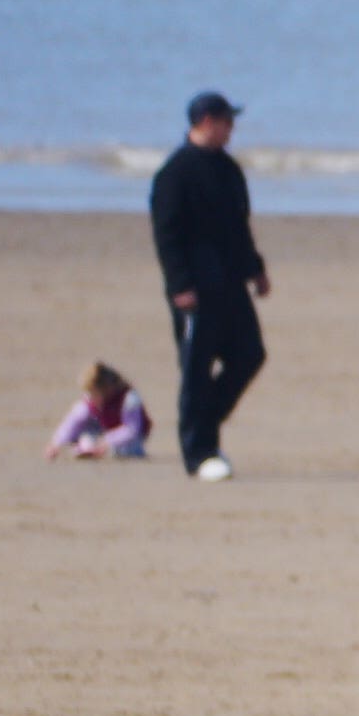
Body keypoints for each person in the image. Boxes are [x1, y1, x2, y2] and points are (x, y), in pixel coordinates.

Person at [148, 91, 268, 481]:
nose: (231, 129)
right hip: (194, 290)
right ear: (204, 122)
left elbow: (239, 227)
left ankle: (203, 424)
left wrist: (256, 269)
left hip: (231, 283)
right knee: (196, 369)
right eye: (225, 121)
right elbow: (167, 235)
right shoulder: (175, 173)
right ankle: (199, 454)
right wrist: (179, 284)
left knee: (250, 354)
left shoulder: (229, 170)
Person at [46, 362, 151, 460]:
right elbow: (72, 422)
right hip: (103, 434)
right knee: (87, 435)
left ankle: (100, 451)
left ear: (106, 389)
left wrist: (107, 441)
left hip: (131, 440)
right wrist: (56, 444)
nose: (90, 397)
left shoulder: (130, 398)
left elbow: (132, 430)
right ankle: (86, 450)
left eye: (93, 393)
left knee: (126, 450)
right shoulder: (89, 401)